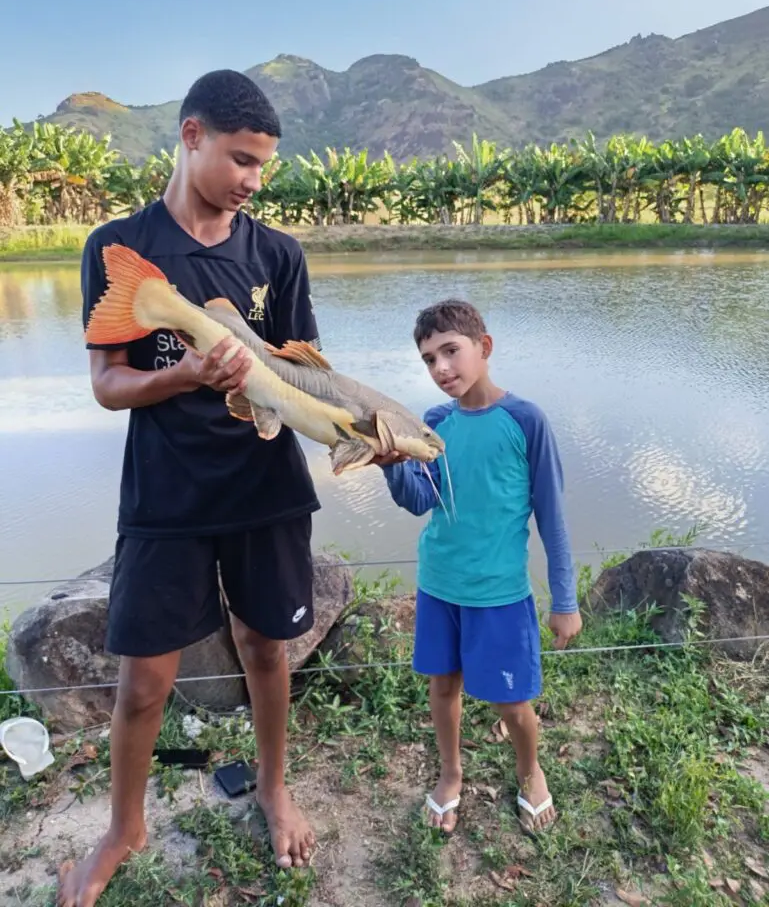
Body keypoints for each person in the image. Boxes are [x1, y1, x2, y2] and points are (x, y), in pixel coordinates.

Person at [59, 70, 322, 907]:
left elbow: (305, 376)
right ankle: (123, 827)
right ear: (191, 136)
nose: (252, 180)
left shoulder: (276, 255)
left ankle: (274, 787)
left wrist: (366, 436)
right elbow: (107, 383)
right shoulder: (119, 248)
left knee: (265, 650)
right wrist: (191, 378)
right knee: (142, 682)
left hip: (264, 485)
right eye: (241, 159)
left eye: (263, 168)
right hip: (167, 496)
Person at [374, 298, 583, 835]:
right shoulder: (436, 423)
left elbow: (552, 519)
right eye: (428, 359)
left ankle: (530, 772)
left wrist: (564, 601)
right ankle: (450, 773)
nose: (441, 368)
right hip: (439, 584)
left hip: (500, 593)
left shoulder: (525, 420)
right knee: (443, 688)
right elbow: (422, 499)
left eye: (451, 351)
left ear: (483, 348)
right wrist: (391, 464)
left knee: (513, 704)